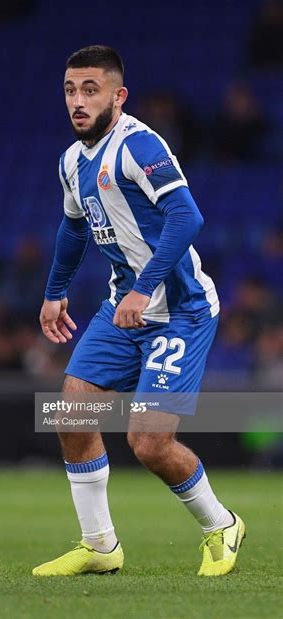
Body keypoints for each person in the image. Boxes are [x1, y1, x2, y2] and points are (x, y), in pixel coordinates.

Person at [34, 45, 245, 577]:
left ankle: (222, 524)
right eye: (69, 90)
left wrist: (142, 288)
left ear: (117, 95)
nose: (77, 102)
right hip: (122, 308)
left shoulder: (140, 145)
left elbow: (187, 218)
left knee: (149, 442)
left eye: (90, 90)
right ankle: (100, 545)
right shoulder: (71, 160)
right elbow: (74, 226)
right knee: (73, 411)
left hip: (180, 309)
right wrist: (55, 290)